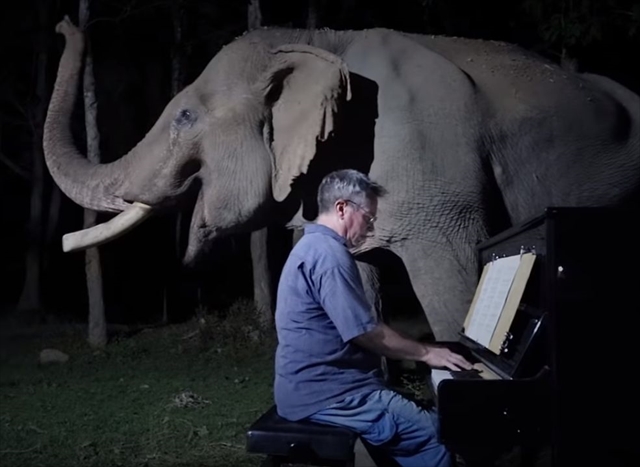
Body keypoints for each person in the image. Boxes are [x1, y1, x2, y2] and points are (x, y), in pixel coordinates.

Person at [273, 169, 474, 467]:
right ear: (342, 208)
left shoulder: (311, 247)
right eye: (368, 218)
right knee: (439, 436)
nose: (370, 228)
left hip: (314, 389)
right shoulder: (329, 256)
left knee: (414, 418)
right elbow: (364, 331)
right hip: (332, 395)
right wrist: (427, 353)